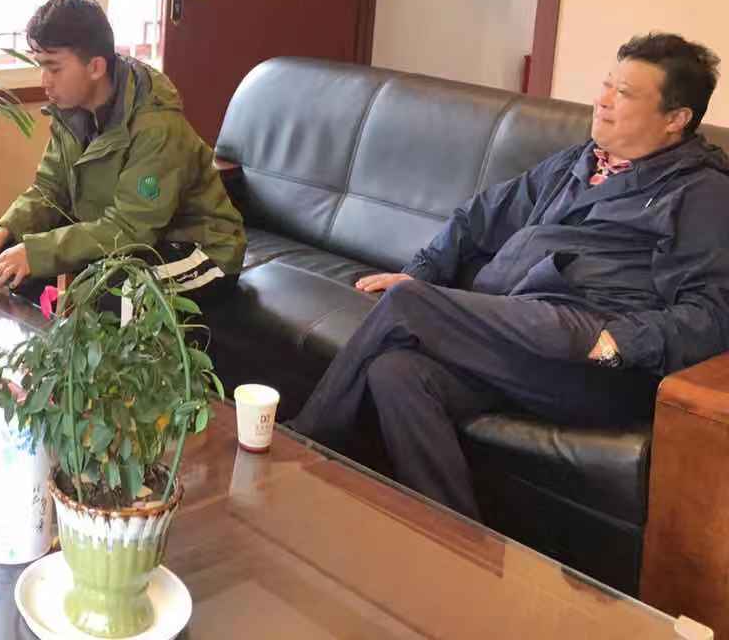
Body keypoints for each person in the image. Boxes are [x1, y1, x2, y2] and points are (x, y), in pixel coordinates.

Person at [288, 33, 729, 521]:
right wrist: (421, 270)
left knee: (408, 303)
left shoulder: (702, 195)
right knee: (397, 373)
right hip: (521, 330)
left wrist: (617, 342)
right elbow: (478, 217)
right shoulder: (578, 163)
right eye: (606, 84)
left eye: (623, 93)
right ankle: (454, 543)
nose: (602, 100)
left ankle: (298, 455)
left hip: (596, 357)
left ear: (675, 119)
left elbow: (711, 315)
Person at [0, 0, 246, 305]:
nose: (44, 81)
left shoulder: (156, 126)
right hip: (136, 243)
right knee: (10, 271)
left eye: (54, 68)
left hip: (197, 250)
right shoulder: (71, 110)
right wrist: (6, 231)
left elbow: (131, 227)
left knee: (102, 297)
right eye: (41, 66)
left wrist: (35, 252)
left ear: (95, 67)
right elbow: (49, 189)